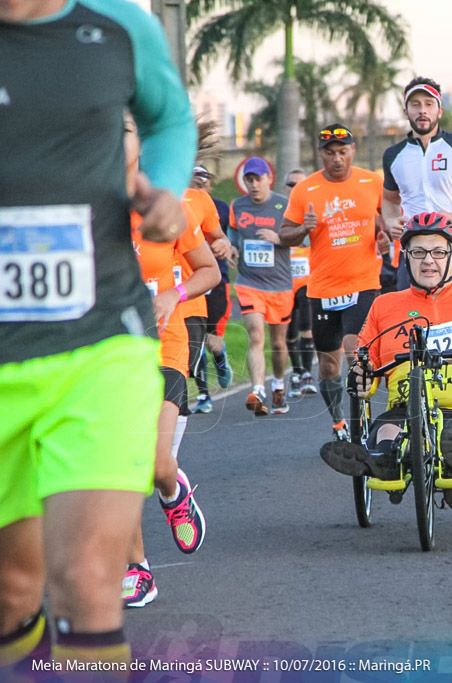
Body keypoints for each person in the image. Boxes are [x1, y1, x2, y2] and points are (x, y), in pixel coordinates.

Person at [0, 0, 195, 669]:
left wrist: (166, 189)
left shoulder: (118, 24)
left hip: (100, 343)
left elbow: (169, 119)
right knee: (12, 591)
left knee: (86, 582)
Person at [319, 213, 452, 509]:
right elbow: (365, 366)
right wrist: (362, 378)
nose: (427, 260)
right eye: (418, 252)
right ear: (406, 257)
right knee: (388, 432)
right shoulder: (384, 305)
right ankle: (382, 458)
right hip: (405, 410)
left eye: (438, 252)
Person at [123, 118, 219, 608]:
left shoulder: (168, 207)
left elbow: (209, 271)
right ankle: (138, 570)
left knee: (156, 464)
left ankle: (173, 488)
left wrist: (172, 296)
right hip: (109, 354)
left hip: (165, 347)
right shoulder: (90, 211)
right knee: (119, 470)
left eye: (125, 130)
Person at [279, 124, 386, 440]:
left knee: (355, 349)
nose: (337, 158)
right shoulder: (305, 191)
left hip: (364, 282)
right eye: (330, 153)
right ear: (321, 154)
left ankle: (362, 417)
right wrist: (303, 230)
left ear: (352, 150)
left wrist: (386, 238)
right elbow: (285, 234)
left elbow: (392, 217)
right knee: (328, 365)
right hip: (323, 288)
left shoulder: (371, 182)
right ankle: (339, 420)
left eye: (343, 151)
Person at [382, 77, 452, 288]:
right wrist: (390, 222)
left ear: (440, 110)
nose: (422, 110)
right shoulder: (393, 155)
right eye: (415, 105)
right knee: (412, 319)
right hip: (412, 253)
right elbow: (389, 201)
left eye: (429, 104)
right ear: (406, 112)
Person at [228, 157, 294, 415]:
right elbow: (232, 235)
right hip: (249, 282)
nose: (254, 185)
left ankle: (278, 384)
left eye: (258, 179)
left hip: (279, 285)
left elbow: (300, 237)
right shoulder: (238, 206)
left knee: (278, 343)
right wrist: (231, 247)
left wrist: (278, 238)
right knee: (256, 335)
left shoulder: (284, 205)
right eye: (249, 180)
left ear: (269, 178)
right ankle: (258, 391)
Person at [188, 165, 235, 413]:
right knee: (195, 345)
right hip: (189, 282)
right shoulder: (177, 202)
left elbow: (223, 237)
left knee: (213, 343)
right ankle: (204, 394)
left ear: (209, 183)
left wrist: (225, 245)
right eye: (195, 177)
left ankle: (220, 357)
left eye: (203, 178)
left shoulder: (219, 207)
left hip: (216, 281)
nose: (199, 182)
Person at [282, 168, 318, 398]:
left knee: (307, 327)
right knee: (289, 331)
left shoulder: (315, 211)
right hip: (283, 280)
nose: (296, 189)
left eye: (300, 184)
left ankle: (306, 375)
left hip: (308, 280)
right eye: (292, 185)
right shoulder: (280, 212)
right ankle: (296, 372)